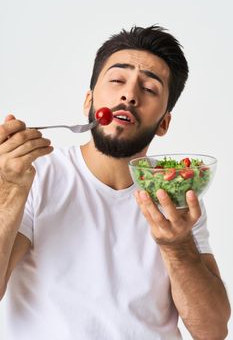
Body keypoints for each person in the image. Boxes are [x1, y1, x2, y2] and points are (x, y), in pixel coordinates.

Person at [0, 25, 231, 340]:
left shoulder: (174, 195)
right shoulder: (35, 176)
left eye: (149, 89)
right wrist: (9, 190)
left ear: (163, 122)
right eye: (117, 80)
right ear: (89, 102)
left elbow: (212, 330)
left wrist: (176, 246)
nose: (129, 94)